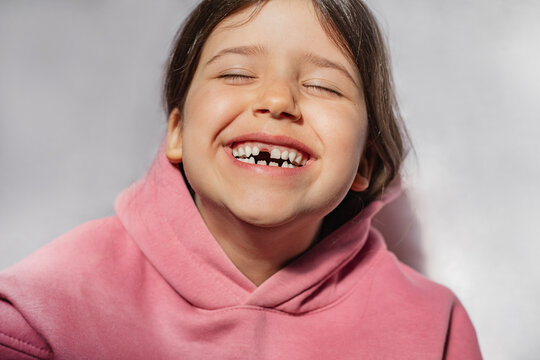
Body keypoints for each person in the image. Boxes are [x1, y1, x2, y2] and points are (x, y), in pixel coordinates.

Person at [0, 0, 482, 358]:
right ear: (178, 134)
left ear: (365, 165)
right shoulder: (41, 309)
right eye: (234, 74)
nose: (277, 100)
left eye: (322, 85)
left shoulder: (434, 327)